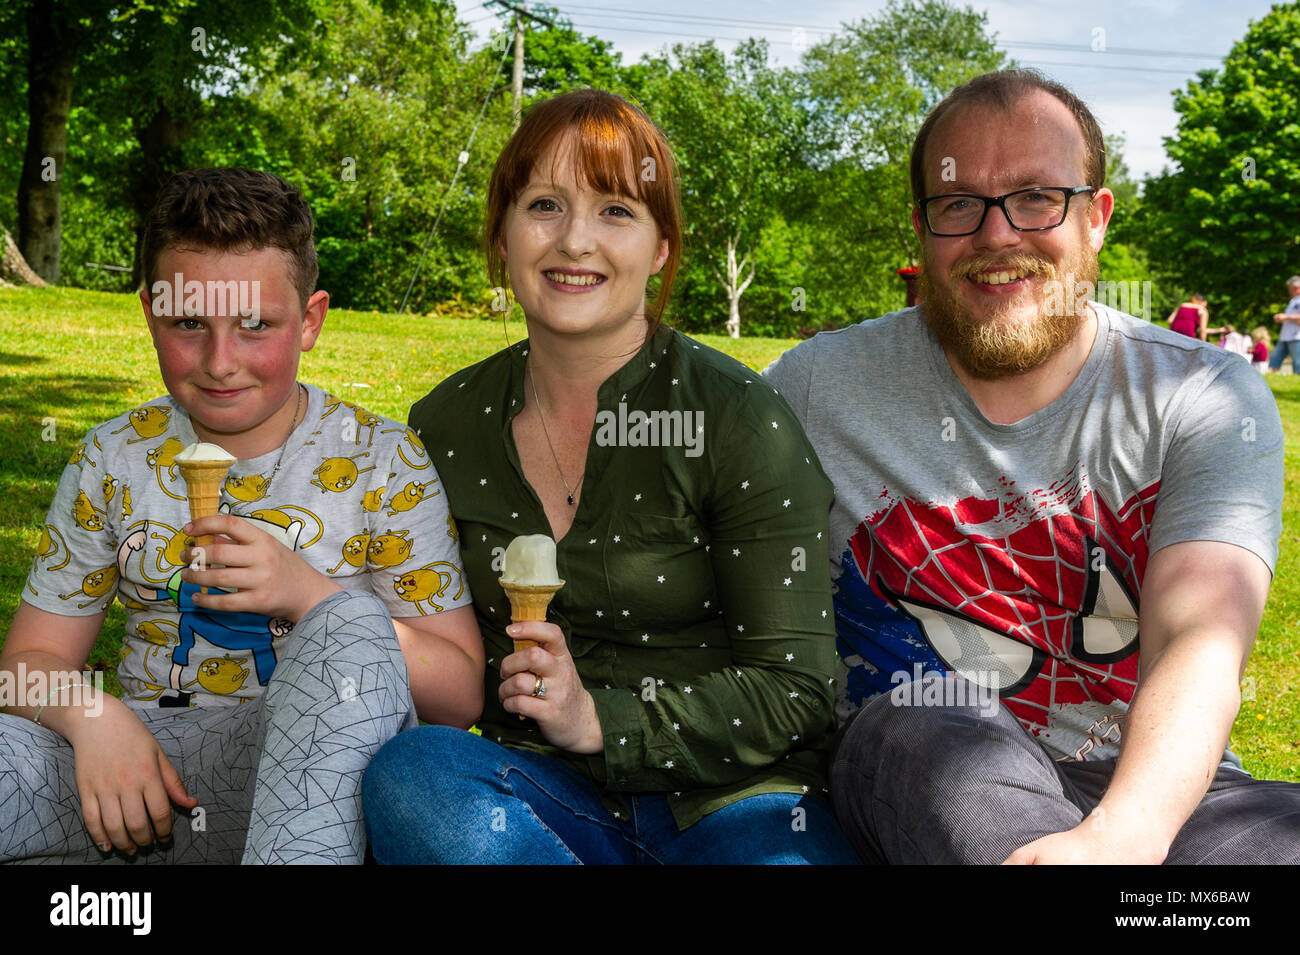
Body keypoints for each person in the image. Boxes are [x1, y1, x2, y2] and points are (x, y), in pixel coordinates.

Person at [765, 68, 1300, 864]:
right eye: (959, 204)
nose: (997, 234)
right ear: (921, 228)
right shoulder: (815, 388)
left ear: (1097, 219)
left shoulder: (1203, 393)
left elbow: (1201, 638)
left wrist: (1124, 834)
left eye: (1037, 198)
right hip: (930, 760)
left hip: (1164, 784)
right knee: (925, 720)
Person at [362, 89, 856, 865]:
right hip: (536, 802)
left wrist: (601, 719)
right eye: (545, 204)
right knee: (412, 779)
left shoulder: (737, 417)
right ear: (502, 232)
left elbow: (797, 690)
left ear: (662, 246)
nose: (574, 240)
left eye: (617, 210)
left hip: (736, 804)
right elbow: (433, 650)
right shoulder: (444, 426)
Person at [0, 168, 482, 864]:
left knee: (349, 623)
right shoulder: (112, 455)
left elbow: (460, 695)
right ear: (148, 313)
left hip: (323, 785)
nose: (221, 361)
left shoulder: (384, 460)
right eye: (188, 323)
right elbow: (26, 663)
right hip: (142, 781)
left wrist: (309, 595)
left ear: (310, 320)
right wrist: (91, 716)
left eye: (255, 325)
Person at [1267, 275, 1300, 373]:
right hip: (1285, 336)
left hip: (1296, 336)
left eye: (1290, 288)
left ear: (1296, 287)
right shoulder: (1293, 300)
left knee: (1298, 361)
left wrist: (1285, 317)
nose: (1289, 291)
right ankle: (1273, 376)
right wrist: (1283, 319)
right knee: (1275, 357)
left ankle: (1298, 378)